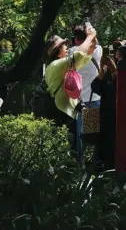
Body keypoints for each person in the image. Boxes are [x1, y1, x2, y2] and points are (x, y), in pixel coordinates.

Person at [44, 28, 98, 157]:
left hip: (81, 104)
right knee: (79, 144)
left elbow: (87, 52)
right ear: (57, 50)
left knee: (81, 144)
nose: (67, 47)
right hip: (88, 102)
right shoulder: (61, 63)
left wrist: (91, 39)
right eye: (64, 46)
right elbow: (82, 54)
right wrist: (91, 36)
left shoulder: (65, 61)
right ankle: (79, 169)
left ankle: (82, 168)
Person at [69, 23, 103, 158]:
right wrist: (91, 34)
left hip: (77, 103)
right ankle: (92, 168)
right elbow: (95, 43)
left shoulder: (72, 52)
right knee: (92, 139)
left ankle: (80, 168)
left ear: (76, 39)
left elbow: (79, 52)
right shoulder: (98, 51)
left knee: (80, 140)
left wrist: (87, 36)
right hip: (94, 100)